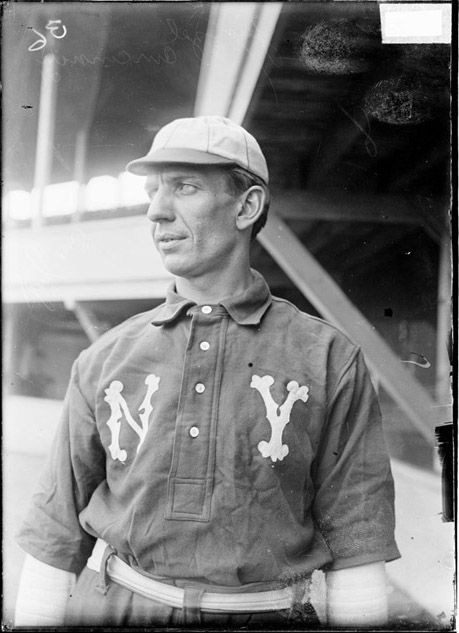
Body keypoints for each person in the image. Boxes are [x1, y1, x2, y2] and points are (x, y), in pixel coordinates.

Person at [15, 115, 400, 628]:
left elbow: (357, 547)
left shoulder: (329, 356)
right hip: (116, 608)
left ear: (247, 206)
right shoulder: (105, 356)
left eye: (185, 187)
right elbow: (55, 536)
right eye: (154, 191)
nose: (156, 210)